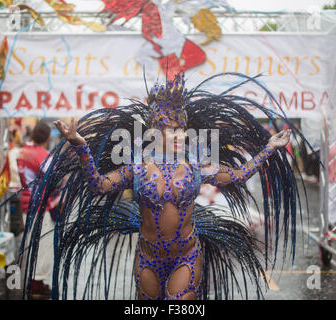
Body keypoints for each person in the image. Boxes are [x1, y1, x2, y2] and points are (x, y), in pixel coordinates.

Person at [19, 73, 311, 300]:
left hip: (187, 255)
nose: (177, 136)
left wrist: (269, 148)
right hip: (147, 256)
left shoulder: (197, 164)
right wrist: (82, 147)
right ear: (154, 133)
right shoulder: (137, 166)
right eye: (170, 130)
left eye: (181, 130)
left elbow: (237, 176)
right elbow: (99, 185)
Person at [17, 120, 58, 297]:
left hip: (26, 204)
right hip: (40, 206)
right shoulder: (43, 155)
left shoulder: (22, 152)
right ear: (48, 137)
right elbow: (55, 178)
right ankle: (35, 284)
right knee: (43, 245)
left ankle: (32, 281)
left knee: (32, 243)